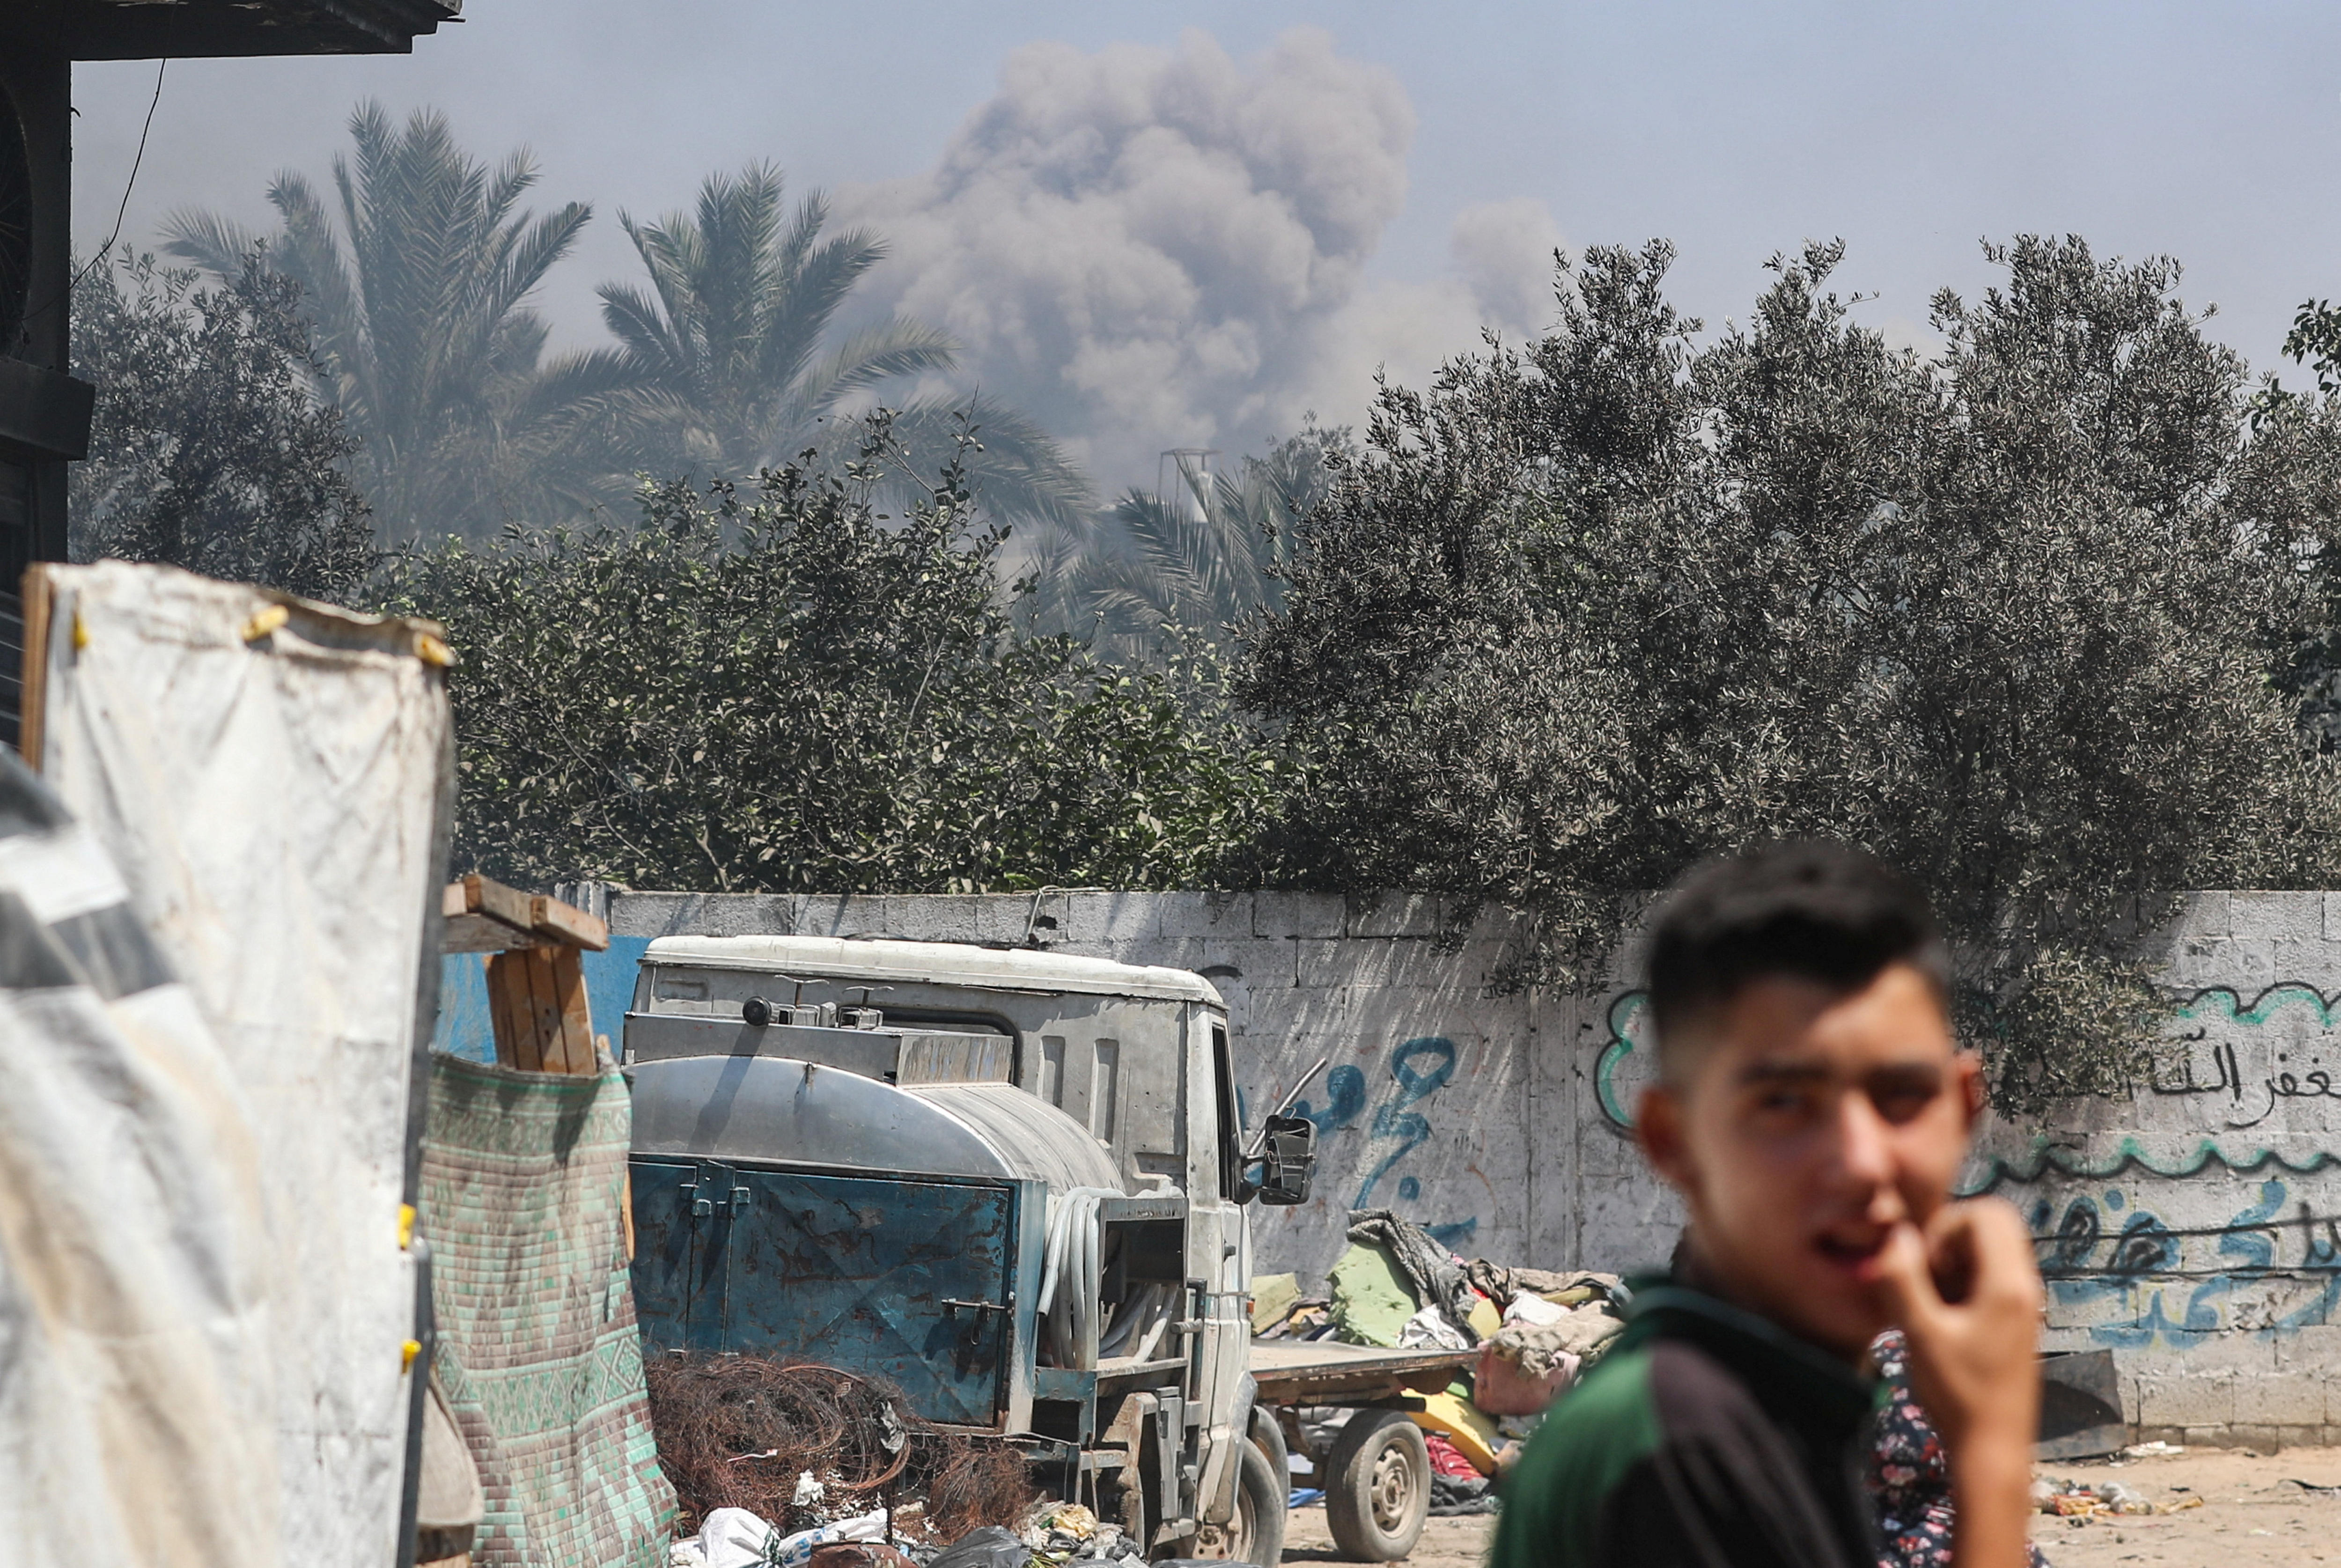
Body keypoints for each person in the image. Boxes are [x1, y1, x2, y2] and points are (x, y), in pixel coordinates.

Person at [1488, 841, 2043, 1568]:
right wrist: (1992, 1449)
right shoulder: (1680, 1447)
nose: (1860, 1164)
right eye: (1785, 1102)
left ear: (1964, 1105)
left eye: (1901, 1096)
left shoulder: (1788, 1397)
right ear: (1671, 1139)